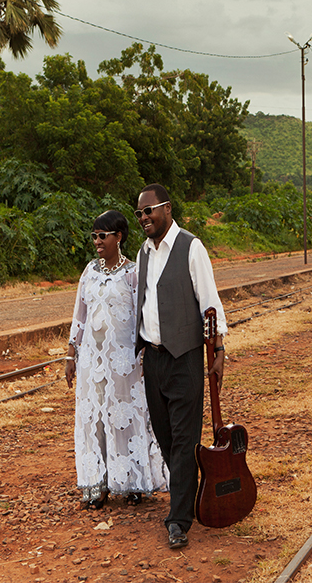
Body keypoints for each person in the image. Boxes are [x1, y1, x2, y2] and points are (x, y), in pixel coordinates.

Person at [134, 183, 227, 549]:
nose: (144, 218)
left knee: (185, 439)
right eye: (140, 213)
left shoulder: (192, 247)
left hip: (185, 357)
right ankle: (193, 492)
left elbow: (210, 301)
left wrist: (219, 349)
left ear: (167, 209)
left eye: (149, 211)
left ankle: (178, 520)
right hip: (154, 358)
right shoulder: (143, 252)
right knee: (166, 436)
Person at [66, 209, 168, 509]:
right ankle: (97, 485)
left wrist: (146, 353)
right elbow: (80, 316)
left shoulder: (133, 272)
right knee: (94, 419)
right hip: (91, 362)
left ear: (118, 237)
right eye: (94, 236)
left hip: (125, 360)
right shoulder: (89, 271)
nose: (97, 241)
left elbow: (144, 315)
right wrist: (71, 353)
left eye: (102, 236)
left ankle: (133, 481)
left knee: (125, 416)